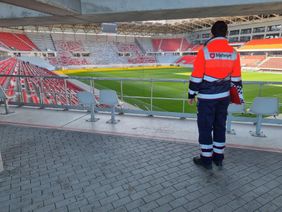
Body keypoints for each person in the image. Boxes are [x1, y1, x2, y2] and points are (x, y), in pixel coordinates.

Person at [188, 21, 244, 170]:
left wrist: (191, 94)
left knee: (205, 127)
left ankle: (206, 159)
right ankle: (218, 158)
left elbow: (196, 76)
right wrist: (237, 97)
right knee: (220, 126)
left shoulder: (204, 51)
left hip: (207, 98)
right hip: (224, 97)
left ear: (212, 33)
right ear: (226, 34)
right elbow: (237, 78)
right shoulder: (233, 53)